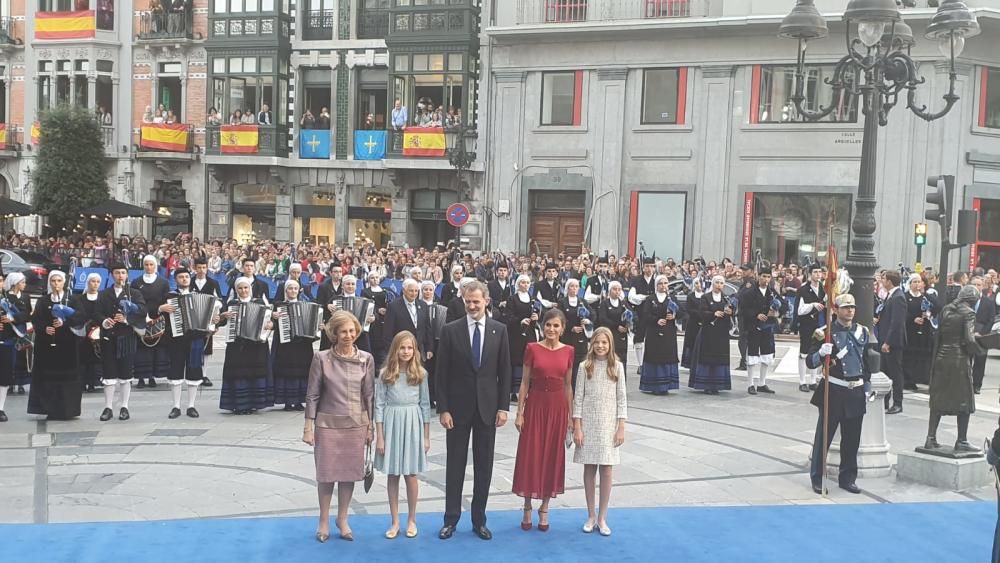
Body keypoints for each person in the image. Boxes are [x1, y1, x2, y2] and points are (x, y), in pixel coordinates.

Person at [436, 280, 511, 541]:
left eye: (476, 301)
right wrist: (443, 409)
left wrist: (503, 407)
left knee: (484, 466)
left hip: (488, 409)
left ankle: (479, 520)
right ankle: (450, 519)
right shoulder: (450, 330)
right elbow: (441, 374)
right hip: (457, 410)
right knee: (454, 465)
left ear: (486, 301)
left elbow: (505, 371)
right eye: (468, 301)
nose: (471, 306)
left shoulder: (499, 330)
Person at [303, 310, 375, 543]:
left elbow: (370, 395)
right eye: (343, 331)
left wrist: (371, 427)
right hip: (327, 425)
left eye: (352, 331)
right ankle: (323, 520)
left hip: (357, 424)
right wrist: (308, 426)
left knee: (348, 475)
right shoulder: (321, 358)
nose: (348, 335)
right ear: (334, 333)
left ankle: (342, 519)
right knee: (326, 475)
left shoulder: (367, 358)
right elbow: (312, 394)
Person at [512, 308, 573, 532]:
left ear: (562, 329)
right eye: (548, 325)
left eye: (556, 326)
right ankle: (527, 504)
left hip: (558, 407)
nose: (551, 329)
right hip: (535, 405)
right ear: (543, 326)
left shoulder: (569, 351)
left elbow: (568, 385)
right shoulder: (532, 348)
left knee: (552, 456)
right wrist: (519, 412)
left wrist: (571, 418)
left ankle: (545, 507)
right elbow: (524, 382)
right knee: (531, 454)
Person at [806, 293, 871, 495]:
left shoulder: (863, 331)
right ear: (836, 310)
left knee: (852, 439)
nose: (850, 310)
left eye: (852, 307)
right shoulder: (824, 332)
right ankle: (817, 477)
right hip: (833, 390)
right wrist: (821, 353)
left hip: (855, 390)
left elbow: (867, 361)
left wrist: (867, 387)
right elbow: (810, 361)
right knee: (823, 438)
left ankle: (848, 477)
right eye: (845, 307)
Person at [375, 331, 431, 540]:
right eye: (402, 348)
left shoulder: (421, 374)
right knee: (392, 474)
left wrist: (426, 437)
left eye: (410, 348)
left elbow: (425, 406)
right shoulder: (385, 374)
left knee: (411, 474)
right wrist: (380, 436)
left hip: (412, 421)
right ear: (395, 350)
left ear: (415, 350)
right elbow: (378, 405)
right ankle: (395, 520)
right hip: (391, 422)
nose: (406, 352)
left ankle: (412, 519)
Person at [572, 327, 627, 537]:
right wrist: (577, 426)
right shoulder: (585, 366)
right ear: (592, 343)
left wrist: (621, 425)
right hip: (588, 423)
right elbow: (578, 398)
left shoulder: (617, 367)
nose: (601, 346)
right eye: (597, 342)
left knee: (607, 469)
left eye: (604, 342)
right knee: (589, 468)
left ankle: (603, 516)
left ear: (610, 344)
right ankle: (590, 514)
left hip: (608, 424)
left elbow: (622, 398)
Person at [923, 285, 985, 453]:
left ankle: (930, 438)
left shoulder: (946, 310)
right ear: (972, 300)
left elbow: (940, 335)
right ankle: (962, 440)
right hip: (958, 361)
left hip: (942, 358)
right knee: (965, 400)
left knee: (938, 397)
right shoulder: (969, 313)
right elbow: (969, 340)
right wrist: (981, 350)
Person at [26, 271, 82, 420]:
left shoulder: (72, 300)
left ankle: (67, 410)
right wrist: (44, 328)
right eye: (53, 281)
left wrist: (66, 322)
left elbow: (79, 318)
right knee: (49, 380)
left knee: (66, 380)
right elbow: (36, 319)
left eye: (59, 281)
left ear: (64, 282)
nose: (56, 284)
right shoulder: (43, 301)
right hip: (48, 346)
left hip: (67, 345)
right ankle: (50, 409)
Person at [96, 264, 147, 422]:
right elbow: (96, 312)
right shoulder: (104, 294)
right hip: (109, 338)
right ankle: (108, 407)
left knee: (126, 374)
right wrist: (104, 321)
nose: (120, 276)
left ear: (127, 275)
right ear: (112, 275)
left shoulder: (134, 293)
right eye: (117, 273)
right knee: (109, 374)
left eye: (123, 273)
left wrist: (126, 319)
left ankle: (124, 407)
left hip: (127, 337)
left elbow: (143, 311)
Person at [219, 277, 273, 415]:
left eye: (246, 288)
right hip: (237, 345)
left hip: (256, 345)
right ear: (236, 290)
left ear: (250, 288)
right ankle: (240, 404)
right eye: (240, 288)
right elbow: (220, 322)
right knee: (239, 374)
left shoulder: (260, 302)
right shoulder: (231, 304)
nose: (243, 291)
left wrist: (270, 324)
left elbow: (269, 319)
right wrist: (222, 316)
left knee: (255, 373)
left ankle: (255, 403)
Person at [160, 268, 209, 419]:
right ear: (176, 280)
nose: (184, 279)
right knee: (175, 370)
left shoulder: (198, 296)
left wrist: (213, 322)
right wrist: (161, 308)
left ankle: (191, 406)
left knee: (194, 370)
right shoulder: (169, 296)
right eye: (181, 277)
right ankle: (175, 406)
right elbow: (154, 311)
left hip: (195, 339)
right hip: (176, 339)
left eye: (186, 277)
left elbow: (209, 315)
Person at [741, 264, 786, 395]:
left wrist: (777, 308)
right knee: (752, 356)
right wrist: (755, 314)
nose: (766, 279)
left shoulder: (771, 291)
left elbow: (783, 304)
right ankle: (750, 384)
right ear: (758, 276)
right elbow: (743, 308)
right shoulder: (750, 291)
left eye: (768, 277)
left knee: (767, 355)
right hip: (754, 327)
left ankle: (762, 383)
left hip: (768, 327)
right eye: (763, 276)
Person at [689, 275, 734, 395]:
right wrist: (713, 313)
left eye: (721, 283)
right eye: (717, 283)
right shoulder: (705, 297)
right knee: (707, 357)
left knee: (719, 357)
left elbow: (732, 315)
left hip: (722, 334)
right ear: (713, 284)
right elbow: (701, 312)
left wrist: (730, 313)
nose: (719, 285)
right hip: (708, 332)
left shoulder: (726, 299)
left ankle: (718, 384)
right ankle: (706, 384)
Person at [132, 255, 170, 388]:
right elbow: (135, 301)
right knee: (141, 350)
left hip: (157, 319)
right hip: (141, 319)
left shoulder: (163, 282)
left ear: (155, 266)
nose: (149, 267)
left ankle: (153, 376)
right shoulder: (136, 282)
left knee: (156, 348)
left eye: (151, 265)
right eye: (146, 265)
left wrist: (158, 312)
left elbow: (166, 301)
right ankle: (141, 377)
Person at [639, 275, 679, 395]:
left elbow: (682, 313)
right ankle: (653, 384)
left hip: (668, 333)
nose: (663, 286)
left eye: (666, 283)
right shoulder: (650, 299)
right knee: (654, 357)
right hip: (654, 333)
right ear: (656, 285)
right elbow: (645, 315)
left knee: (667, 356)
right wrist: (656, 320)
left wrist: (674, 316)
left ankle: (666, 385)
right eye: (661, 283)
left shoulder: (672, 298)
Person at [1, 273, 32, 418]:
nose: (24, 284)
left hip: (16, 336)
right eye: (22, 282)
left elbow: (27, 314)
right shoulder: (4, 298)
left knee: (7, 372)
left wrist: (13, 319)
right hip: (4, 336)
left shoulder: (25, 297)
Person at [506, 274, 538, 404]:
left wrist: (536, 318)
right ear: (518, 284)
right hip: (516, 334)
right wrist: (520, 321)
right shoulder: (512, 299)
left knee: (528, 360)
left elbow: (537, 316)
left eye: (527, 283)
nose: (525, 285)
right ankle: (514, 390)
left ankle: (527, 388)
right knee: (517, 361)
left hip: (529, 334)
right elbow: (508, 316)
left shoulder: (533, 299)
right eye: (523, 282)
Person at [383, 278, 433, 362]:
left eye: (416, 291)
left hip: (418, 352)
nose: (414, 294)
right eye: (411, 291)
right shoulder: (393, 306)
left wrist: (430, 348)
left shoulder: (423, 305)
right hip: (401, 352)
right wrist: (391, 353)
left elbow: (428, 328)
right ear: (404, 290)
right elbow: (387, 332)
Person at [878, 270, 907, 414]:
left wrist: (888, 342)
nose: (882, 281)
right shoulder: (890, 296)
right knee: (885, 372)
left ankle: (897, 402)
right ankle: (885, 400)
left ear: (889, 281)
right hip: (884, 338)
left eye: (883, 278)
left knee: (895, 373)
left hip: (893, 342)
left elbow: (897, 322)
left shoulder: (898, 297)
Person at [903, 273, 937, 391]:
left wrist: (928, 315)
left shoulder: (925, 297)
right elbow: (903, 313)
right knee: (908, 356)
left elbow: (936, 307)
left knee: (919, 357)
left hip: (923, 331)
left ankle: (917, 378)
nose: (917, 284)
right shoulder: (905, 296)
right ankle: (907, 379)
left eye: (919, 282)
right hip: (909, 330)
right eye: (915, 282)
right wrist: (913, 319)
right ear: (910, 283)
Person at [192, 256, 222, 387]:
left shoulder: (212, 283)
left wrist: (217, 322)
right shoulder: (190, 282)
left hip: (208, 319)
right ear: (194, 268)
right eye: (199, 267)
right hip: (193, 319)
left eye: (204, 267)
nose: (201, 270)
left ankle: (204, 374)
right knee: (192, 346)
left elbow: (220, 302)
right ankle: (193, 372)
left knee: (207, 348)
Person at [72, 273, 105, 393]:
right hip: (83, 331)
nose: (95, 284)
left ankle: (93, 382)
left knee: (95, 359)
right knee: (82, 358)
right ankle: (81, 383)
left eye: (97, 282)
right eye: (93, 281)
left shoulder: (102, 298)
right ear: (88, 282)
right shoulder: (80, 298)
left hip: (97, 332)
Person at [796, 263, 826, 392]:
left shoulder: (824, 290)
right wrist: (812, 305)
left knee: (817, 352)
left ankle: (813, 381)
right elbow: (799, 310)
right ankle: (802, 381)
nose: (818, 274)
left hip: (820, 325)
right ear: (809, 274)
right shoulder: (803, 290)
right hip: (807, 325)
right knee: (804, 353)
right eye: (815, 272)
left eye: (819, 272)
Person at [557, 278, 591, 389]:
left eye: (576, 286)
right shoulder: (562, 302)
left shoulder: (583, 302)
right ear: (567, 288)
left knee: (579, 364)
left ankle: (578, 388)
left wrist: (587, 321)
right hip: (567, 337)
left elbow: (593, 314)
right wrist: (571, 328)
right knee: (567, 364)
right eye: (572, 286)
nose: (574, 288)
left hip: (581, 338)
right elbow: (560, 318)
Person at [627, 256, 656, 375]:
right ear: (643, 268)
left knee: (653, 339)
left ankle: (651, 363)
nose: (649, 269)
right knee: (639, 338)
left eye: (652, 266)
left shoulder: (657, 280)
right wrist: (646, 298)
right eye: (647, 266)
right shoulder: (636, 280)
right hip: (640, 313)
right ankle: (640, 364)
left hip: (654, 314)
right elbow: (631, 297)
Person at [595, 281, 629, 373]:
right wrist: (616, 326)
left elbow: (631, 315)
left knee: (622, 362)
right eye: (614, 289)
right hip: (610, 335)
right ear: (610, 291)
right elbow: (602, 319)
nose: (617, 291)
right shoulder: (605, 304)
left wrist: (629, 324)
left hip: (622, 337)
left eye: (619, 289)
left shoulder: (623, 304)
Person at [971, 275, 996, 394]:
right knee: (966, 360)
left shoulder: (989, 302)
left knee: (980, 361)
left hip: (982, 334)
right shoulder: (967, 301)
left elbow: (991, 319)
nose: (976, 287)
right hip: (968, 332)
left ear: (983, 286)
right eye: (974, 284)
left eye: (979, 285)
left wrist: (981, 332)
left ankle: (977, 385)